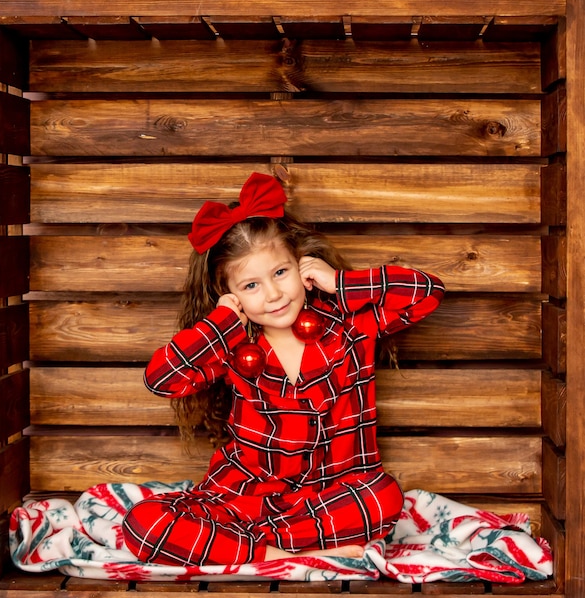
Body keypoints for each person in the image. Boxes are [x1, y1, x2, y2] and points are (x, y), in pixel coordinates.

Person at [122, 172, 445, 567]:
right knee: (144, 523)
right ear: (231, 294)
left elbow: (426, 293)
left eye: (280, 273)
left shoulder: (349, 324)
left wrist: (339, 282)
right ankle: (285, 555)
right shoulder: (232, 344)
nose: (273, 295)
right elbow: (161, 379)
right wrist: (221, 323)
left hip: (332, 496)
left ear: (301, 265)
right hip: (248, 500)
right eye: (251, 286)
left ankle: (254, 552)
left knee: (385, 498)